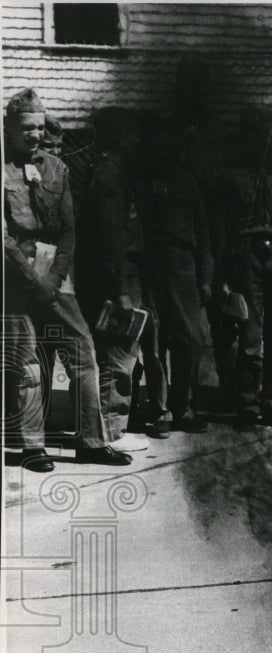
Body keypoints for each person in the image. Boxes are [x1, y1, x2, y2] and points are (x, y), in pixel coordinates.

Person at [3, 88, 130, 468]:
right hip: (15, 273)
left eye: (39, 127)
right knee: (26, 360)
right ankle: (32, 447)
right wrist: (33, 280)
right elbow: (4, 237)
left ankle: (91, 441)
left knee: (82, 350)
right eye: (26, 128)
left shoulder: (56, 168)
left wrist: (55, 276)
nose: (35, 135)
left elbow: (69, 230)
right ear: (8, 128)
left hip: (56, 271)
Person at [77, 106, 170, 449]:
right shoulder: (109, 177)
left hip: (124, 274)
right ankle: (111, 434)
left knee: (118, 354)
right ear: (120, 138)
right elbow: (110, 237)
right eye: (134, 135)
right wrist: (120, 292)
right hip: (118, 277)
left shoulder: (111, 172)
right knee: (118, 355)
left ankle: (110, 429)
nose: (138, 141)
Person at [214, 108, 272, 431]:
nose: (269, 142)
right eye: (260, 136)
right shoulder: (229, 177)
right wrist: (222, 273)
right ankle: (248, 402)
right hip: (247, 253)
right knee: (249, 333)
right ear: (246, 138)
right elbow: (220, 225)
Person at [138, 118, 214, 433]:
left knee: (190, 339)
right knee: (154, 337)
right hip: (149, 263)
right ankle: (160, 410)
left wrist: (205, 278)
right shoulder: (138, 183)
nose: (162, 155)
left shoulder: (188, 183)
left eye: (167, 148)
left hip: (183, 265)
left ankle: (185, 406)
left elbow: (203, 232)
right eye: (156, 149)